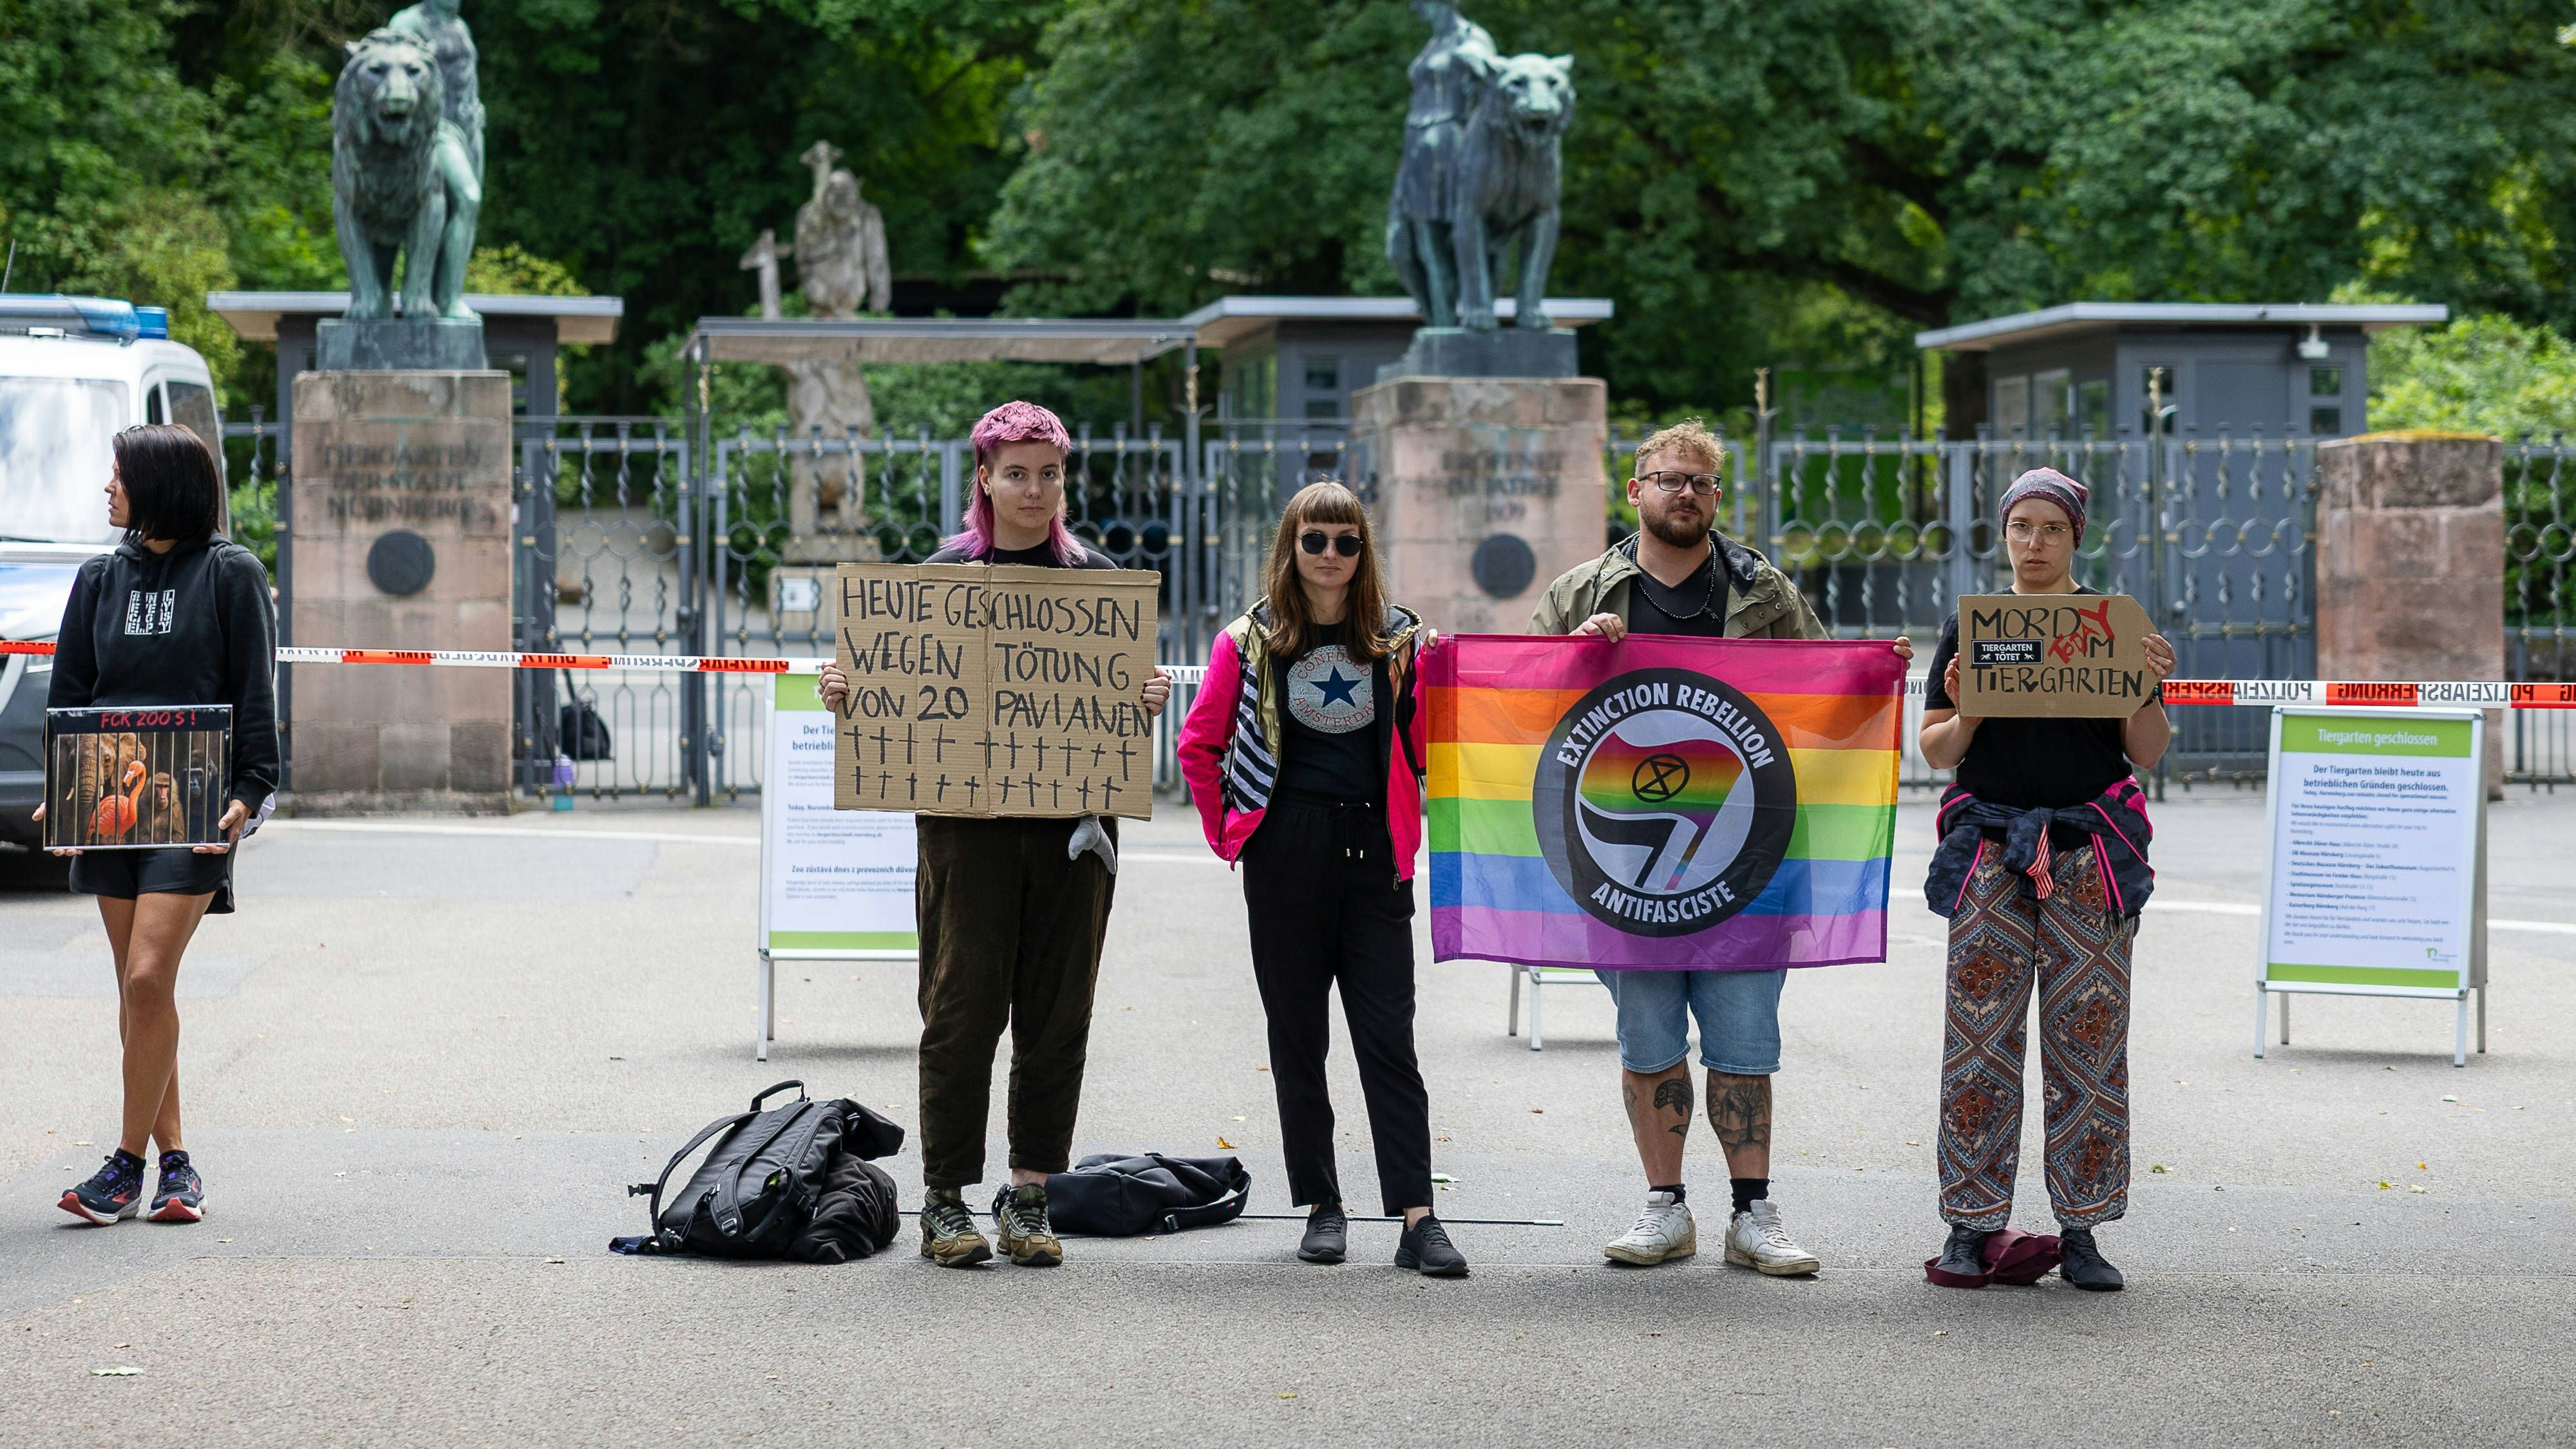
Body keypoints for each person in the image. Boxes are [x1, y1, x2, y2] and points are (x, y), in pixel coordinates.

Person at [1528, 418, 1910, 1276]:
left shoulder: (1762, 591)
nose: (1685, 494)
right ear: (1636, 490)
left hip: (1749, 852)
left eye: (1699, 481)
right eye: (1668, 479)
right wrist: (1570, 659)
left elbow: (1824, 700)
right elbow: (1519, 706)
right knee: (1648, 1034)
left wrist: (1873, 672)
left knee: (1745, 1038)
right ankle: (1665, 1211)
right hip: (1624, 863)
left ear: (1715, 494)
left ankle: (1753, 1215)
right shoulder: (1584, 590)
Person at [817, 401, 1171, 1269]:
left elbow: (1119, 700)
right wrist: (847, 690)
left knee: (1057, 1014)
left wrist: (1147, 700)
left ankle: (1029, 1194)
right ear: (984, 477)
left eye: (1049, 472)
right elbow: (892, 687)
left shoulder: (1097, 576)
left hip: (1074, 832)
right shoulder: (940, 576)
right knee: (962, 1007)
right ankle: (946, 1199)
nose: (1035, 488)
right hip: (964, 832)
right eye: (1016, 472)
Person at [1176, 481, 1468, 1277]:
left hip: (1375, 852)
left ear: (1363, 551)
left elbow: (1444, 730)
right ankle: (1321, 1205)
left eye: (1346, 542)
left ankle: (1417, 1216)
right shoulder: (1250, 639)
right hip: (1286, 850)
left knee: (1388, 1041)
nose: (1331, 556)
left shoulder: (1398, 639)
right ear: (1291, 547)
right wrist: (1235, 835)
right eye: (1315, 541)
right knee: (1298, 1038)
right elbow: (1197, 746)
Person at [1916, 467, 2173, 1292]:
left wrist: (2143, 681)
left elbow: (2148, 749)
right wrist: (1971, 709)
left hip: (2086, 853)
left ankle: (2083, 1229)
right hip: (1992, 850)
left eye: (2050, 529)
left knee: (2088, 1042)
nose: (2033, 543)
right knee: (1980, 1042)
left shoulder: (2112, 627)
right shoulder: (1974, 629)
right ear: (2004, 534)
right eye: (2020, 527)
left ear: (2075, 538)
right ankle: (1972, 1223)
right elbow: (1936, 750)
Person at [37, 424, 278, 1226]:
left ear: (162, 484)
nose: (108, 489)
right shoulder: (99, 577)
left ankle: (124, 1166)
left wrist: (253, 790)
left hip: (198, 802)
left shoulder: (230, 573)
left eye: (120, 476)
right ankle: (179, 1166)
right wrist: (60, 788)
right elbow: (71, 693)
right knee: (144, 994)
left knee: (146, 978)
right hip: (105, 800)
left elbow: (254, 695)